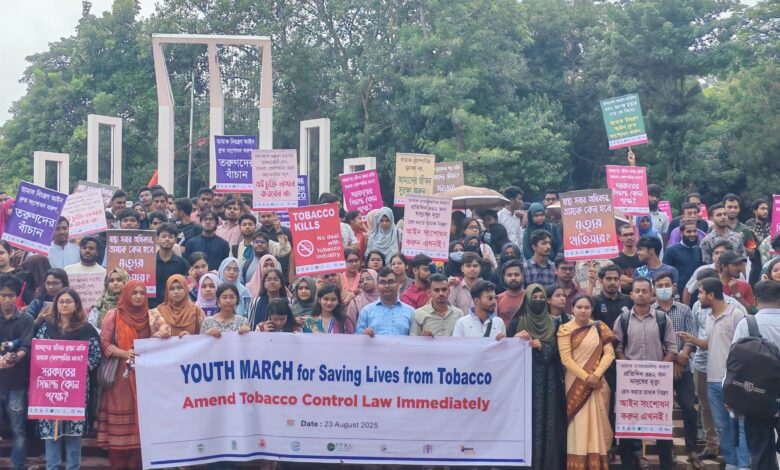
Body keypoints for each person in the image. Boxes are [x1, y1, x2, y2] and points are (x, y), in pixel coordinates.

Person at [677, 278, 749, 470]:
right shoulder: (708, 316)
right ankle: (731, 462)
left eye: (700, 293)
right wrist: (692, 339)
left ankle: (743, 464)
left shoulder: (736, 314)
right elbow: (709, 343)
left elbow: (744, 348)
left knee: (738, 425)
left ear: (710, 294)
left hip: (732, 380)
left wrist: (736, 376)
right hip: (712, 378)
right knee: (722, 425)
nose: (698, 297)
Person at [97, 280, 170, 469]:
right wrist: (124, 353)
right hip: (120, 379)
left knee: (142, 431)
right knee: (119, 434)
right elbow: (104, 344)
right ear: (126, 294)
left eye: (141, 293)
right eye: (134, 293)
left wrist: (160, 337)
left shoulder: (152, 316)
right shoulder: (114, 315)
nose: (138, 296)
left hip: (145, 379)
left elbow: (165, 339)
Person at [612, 277, 677, 470]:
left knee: (661, 427)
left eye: (645, 291)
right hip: (631, 385)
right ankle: (627, 465)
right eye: (637, 291)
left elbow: (672, 349)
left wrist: (660, 372)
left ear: (651, 294)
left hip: (657, 386)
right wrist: (630, 371)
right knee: (627, 427)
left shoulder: (662, 319)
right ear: (631, 295)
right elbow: (618, 348)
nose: (641, 294)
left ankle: (666, 466)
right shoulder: (622, 319)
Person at [36, 288, 101, 470]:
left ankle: (73, 467)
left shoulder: (87, 330)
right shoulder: (47, 327)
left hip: (76, 388)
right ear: (56, 305)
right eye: (61, 301)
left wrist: (79, 365)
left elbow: (95, 355)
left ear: (76, 305)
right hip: (51, 389)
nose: (64, 305)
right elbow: (38, 352)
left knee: (73, 434)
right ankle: (52, 466)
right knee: (51, 433)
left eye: (68, 301)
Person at [507, 283, 566, 470]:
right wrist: (514, 340)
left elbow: (561, 354)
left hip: (549, 383)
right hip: (523, 383)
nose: (538, 301)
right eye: (534, 298)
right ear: (527, 300)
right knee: (525, 423)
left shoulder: (555, 323)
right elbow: (505, 353)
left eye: (541, 298)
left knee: (548, 424)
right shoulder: (517, 322)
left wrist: (543, 347)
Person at [557, 293, 615, 469]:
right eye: (579, 307)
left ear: (592, 309)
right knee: (579, 424)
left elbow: (610, 353)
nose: (583, 311)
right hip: (575, 384)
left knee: (599, 422)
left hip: (598, 384)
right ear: (572, 308)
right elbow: (566, 359)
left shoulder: (599, 327)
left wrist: (596, 375)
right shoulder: (565, 329)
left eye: (587, 307)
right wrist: (587, 378)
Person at [651, 272, 700, 467]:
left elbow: (691, 337)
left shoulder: (684, 309)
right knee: (661, 411)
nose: (664, 288)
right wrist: (670, 361)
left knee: (688, 408)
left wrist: (682, 358)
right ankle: (666, 450)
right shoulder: (650, 311)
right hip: (660, 368)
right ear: (654, 288)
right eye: (659, 285)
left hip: (683, 368)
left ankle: (691, 449)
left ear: (674, 287)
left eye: (667, 285)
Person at [732, 280, 780, 469]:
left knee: (760, 451)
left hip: (756, 396)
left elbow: (734, 361)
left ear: (755, 300)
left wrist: (731, 394)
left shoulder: (747, 323)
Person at [0, 274, 33, 470]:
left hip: (16, 381)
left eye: (11, 295)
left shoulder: (26, 318)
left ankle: (17, 465)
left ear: (17, 296)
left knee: (18, 429)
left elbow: (26, 346)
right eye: (3, 295)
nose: (7, 300)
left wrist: (15, 357)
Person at [355, 267, 414, 336]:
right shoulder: (366, 311)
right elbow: (358, 336)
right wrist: (364, 334)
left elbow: (415, 338)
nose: (387, 286)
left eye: (391, 282)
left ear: (398, 284)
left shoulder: (410, 312)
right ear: (377, 286)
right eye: (382, 282)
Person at [684, 239, 735, 306]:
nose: (719, 256)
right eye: (716, 253)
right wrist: (686, 309)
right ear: (712, 255)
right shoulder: (702, 270)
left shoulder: (736, 272)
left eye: (723, 253)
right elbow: (688, 290)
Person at [151, 223, 190, 308]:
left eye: (171, 237)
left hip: (174, 307)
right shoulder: (149, 262)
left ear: (175, 240)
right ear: (157, 239)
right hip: (151, 307)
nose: (167, 239)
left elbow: (185, 287)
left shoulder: (183, 263)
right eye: (164, 236)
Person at [663, 218, 703, 294]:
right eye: (689, 232)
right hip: (679, 293)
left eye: (694, 231)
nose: (692, 234)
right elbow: (666, 273)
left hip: (697, 293)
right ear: (681, 233)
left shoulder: (698, 250)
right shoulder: (671, 251)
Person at [611, 224, 644, 293]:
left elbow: (648, 281)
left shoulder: (643, 256)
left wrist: (628, 280)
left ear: (635, 235)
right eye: (625, 235)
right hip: (622, 297)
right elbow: (615, 283)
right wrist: (637, 282)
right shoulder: (615, 259)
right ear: (620, 238)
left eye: (631, 234)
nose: (629, 237)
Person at [496, 259, 525, 324]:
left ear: (522, 276)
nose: (513, 278)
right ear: (504, 277)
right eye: (509, 275)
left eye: (516, 275)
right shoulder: (497, 300)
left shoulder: (530, 297)